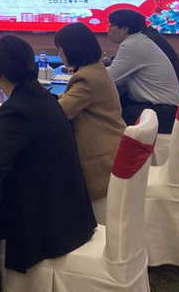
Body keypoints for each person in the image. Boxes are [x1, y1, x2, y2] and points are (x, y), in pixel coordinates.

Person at [0, 35, 96, 291]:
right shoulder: (41, 96)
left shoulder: (17, 107)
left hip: (45, 221)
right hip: (70, 210)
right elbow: (30, 135)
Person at [54, 22, 126, 214]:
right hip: (114, 148)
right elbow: (70, 100)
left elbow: (58, 114)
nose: (59, 54)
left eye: (60, 49)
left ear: (72, 50)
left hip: (101, 163)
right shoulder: (95, 69)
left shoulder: (85, 78)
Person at [106, 9, 179, 132]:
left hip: (161, 113)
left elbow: (109, 78)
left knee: (105, 115)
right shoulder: (139, 40)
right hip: (162, 109)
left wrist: (85, 71)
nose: (108, 29)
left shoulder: (132, 45)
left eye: (111, 25)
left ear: (124, 29)